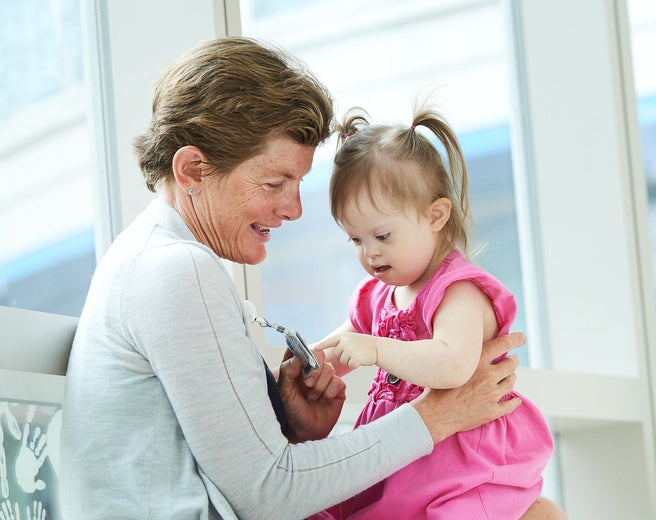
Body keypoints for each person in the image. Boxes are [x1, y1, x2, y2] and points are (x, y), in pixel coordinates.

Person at [59, 37, 564, 520]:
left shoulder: (150, 260)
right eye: (276, 182)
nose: (295, 209)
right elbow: (268, 494)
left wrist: (294, 431)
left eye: (298, 184)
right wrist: (441, 415)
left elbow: (238, 478)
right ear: (192, 170)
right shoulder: (175, 270)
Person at [312, 104, 558, 519]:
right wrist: (312, 364)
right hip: (407, 457)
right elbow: (341, 348)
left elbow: (452, 365)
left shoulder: (458, 289)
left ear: (436, 216)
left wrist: (374, 348)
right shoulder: (377, 294)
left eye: (382, 235)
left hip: (460, 458)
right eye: (354, 239)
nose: (369, 252)